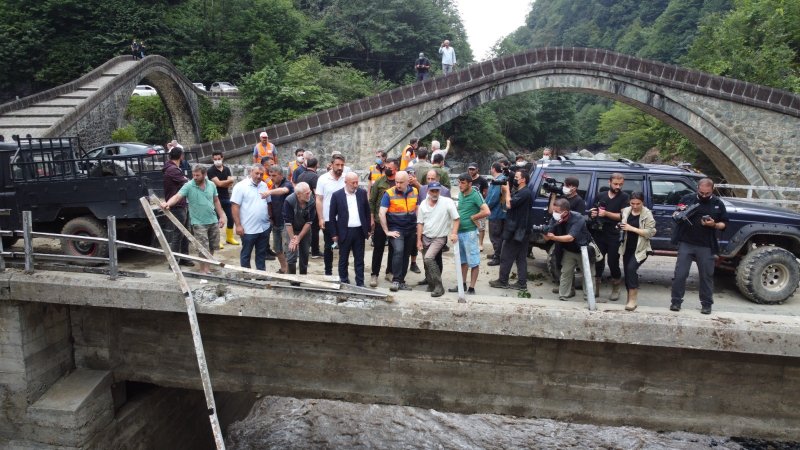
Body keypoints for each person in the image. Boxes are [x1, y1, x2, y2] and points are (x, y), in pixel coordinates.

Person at [670, 178, 728, 314]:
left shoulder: (718, 203)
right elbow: (676, 212)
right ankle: (676, 302)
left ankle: (706, 304)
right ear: (697, 189)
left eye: (707, 193)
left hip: (706, 245)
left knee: (706, 276)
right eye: (701, 193)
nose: (704, 196)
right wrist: (678, 214)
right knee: (680, 274)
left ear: (712, 190)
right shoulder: (687, 199)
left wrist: (714, 224)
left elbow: (724, 224)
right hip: (686, 242)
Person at [160, 165, 226, 274]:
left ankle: (207, 268)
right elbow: (177, 196)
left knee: (212, 246)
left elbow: (216, 200)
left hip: (213, 220)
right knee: (202, 247)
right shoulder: (189, 186)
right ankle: (203, 270)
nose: (195, 177)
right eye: (193, 175)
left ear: (204, 175)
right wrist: (168, 204)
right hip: (198, 222)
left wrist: (222, 216)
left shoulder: (211, 185)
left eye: (197, 175)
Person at [544, 198, 596, 301]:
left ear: (565, 212)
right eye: (554, 210)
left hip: (583, 250)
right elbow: (547, 237)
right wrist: (544, 232)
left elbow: (570, 237)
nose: (554, 213)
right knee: (565, 273)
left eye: (557, 211)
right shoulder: (555, 219)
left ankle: (589, 298)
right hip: (568, 250)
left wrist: (553, 237)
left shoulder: (578, 218)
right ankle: (563, 295)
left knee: (588, 274)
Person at [589, 173, 630, 300]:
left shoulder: (624, 197)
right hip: (599, 233)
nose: (618, 187)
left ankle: (616, 288)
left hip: (614, 234)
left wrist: (606, 213)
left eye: (620, 184)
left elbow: (623, 216)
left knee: (613, 262)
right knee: (598, 261)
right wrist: (593, 213)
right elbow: (594, 210)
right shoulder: (601, 195)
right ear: (609, 182)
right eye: (615, 184)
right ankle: (596, 288)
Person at [490, 170, 533, 290]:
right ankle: (522, 283)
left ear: (523, 180)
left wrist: (507, 189)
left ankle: (503, 281)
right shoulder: (520, 191)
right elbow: (505, 204)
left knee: (505, 256)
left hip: (516, 230)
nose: (515, 179)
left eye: (517, 177)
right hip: (521, 230)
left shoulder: (525, 193)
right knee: (520, 258)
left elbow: (509, 204)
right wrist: (505, 191)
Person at [449, 173, 490, 295]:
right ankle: (462, 285)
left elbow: (487, 211)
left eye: (463, 183)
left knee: (473, 261)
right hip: (460, 232)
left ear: (470, 184)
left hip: (470, 233)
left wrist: (474, 217)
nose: (460, 185)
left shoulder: (475, 194)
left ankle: (472, 288)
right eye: (459, 182)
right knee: (462, 261)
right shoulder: (461, 194)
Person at [416, 182, 459, 297]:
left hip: (439, 237)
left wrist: (454, 233)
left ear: (440, 191)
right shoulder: (423, 204)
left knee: (428, 258)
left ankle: (439, 287)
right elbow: (420, 223)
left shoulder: (447, 202)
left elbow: (456, 218)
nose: (435, 193)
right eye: (432, 191)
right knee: (426, 262)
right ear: (428, 191)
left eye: (437, 191)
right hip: (426, 236)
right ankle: (431, 285)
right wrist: (418, 240)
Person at [329, 173, 372, 286]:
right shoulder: (337, 195)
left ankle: (360, 282)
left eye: (357, 182)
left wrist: (368, 228)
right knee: (343, 258)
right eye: (353, 183)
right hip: (344, 232)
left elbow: (367, 212)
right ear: (346, 182)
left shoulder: (362, 193)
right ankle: (343, 280)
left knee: (359, 259)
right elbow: (332, 216)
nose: (355, 185)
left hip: (359, 231)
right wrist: (334, 234)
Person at [379, 171, 418, 292]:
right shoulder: (389, 193)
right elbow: (381, 213)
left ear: (407, 182)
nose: (398, 185)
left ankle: (401, 281)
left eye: (401, 182)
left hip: (411, 229)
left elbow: (417, 209)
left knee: (406, 254)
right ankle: (395, 280)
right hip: (396, 229)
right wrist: (387, 231)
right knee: (399, 251)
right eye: (396, 182)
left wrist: (418, 225)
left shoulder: (414, 191)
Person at [547, 176, 586, 293]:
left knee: (572, 264)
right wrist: (554, 195)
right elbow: (551, 211)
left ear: (574, 187)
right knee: (559, 261)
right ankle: (565, 287)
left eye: (567, 186)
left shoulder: (579, 201)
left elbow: (578, 219)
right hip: (560, 234)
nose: (564, 187)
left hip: (571, 236)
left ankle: (571, 289)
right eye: (564, 185)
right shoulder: (563, 198)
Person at [619, 192, 657, 311]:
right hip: (627, 246)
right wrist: (620, 227)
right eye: (632, 203)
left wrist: (632, 228)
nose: (635, 206)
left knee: (631, 269)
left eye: (638, 204)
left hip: (641, 248)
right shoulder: (626, 211)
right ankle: (629, 298)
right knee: (627, 272)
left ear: (642, 202)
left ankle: (633, 300)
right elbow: (623, 225)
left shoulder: (647, 214)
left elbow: (650, 233)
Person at [231, 165, 271, 271]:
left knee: (261, 253)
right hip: (248, 228)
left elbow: (269, 203)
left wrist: (270, 219)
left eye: (261, 174)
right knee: (246, 254)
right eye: (256, 173)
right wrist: (238, 225)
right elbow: (235, 206)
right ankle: (246, 275)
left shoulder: (264, 185)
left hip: (264, 227)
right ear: (251, 172)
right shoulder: (240, 186)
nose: (259, 176)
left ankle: (261, 275)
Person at [316, 154, 347, 281]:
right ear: (332, 164)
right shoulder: (323, 179)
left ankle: (343, 273)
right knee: (328, 246)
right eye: (337, 165)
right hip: (328, 219)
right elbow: (319, 199)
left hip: (344, 219)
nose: (340, 167)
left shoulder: (346, 178)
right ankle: (328, 272)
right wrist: (320, 218)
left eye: (342, 165)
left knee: (344, 247)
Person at [368, 159, 398, 287]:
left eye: (389, 167)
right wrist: (371, 218)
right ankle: (374, 274)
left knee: (393, 248)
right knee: (378, 248)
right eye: (385, 167)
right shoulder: (379, 182)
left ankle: (390, 272)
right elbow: (372, 201)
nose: (386, 169)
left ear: (396, 169)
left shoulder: (399, 182)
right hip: (380, 220)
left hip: (395, 221)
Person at [162, 147, 193, 266]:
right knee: (178, 234)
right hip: (177, 205)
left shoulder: (171, 168)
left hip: (181, 204)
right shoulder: (173, 170)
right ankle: (173, 262)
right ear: (181, 156)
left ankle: (184, 258)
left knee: (185, 233)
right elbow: (187, 183)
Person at [282, 182, 316, 282]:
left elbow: (309, 222)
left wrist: (299, 238)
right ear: (298, 195)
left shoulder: (311, 201)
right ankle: (293, 280)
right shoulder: (289, 201)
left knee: (305, 253)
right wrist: (293, 239)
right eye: (306, 193)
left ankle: (302, 278)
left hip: (304, 229)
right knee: (291, 252)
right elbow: (288, 223)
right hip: (291, 228)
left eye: (310, 192)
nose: (309, 194)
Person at [207, 151, 238, 249]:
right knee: (216, 220)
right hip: (215, 198)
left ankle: (229, 237)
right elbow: (219, 184)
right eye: (215, 159)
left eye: (218, 159)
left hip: (226, 197)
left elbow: (229, 184)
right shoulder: (211, 170)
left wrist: (224, 183)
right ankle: (217, 240)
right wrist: (228, 181)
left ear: (222, 158)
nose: (217, 161)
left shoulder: (227, 169)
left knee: (231, 217)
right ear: (212, 159)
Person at [266, 166, 293, 274]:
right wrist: (271, 217)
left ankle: (289, 271)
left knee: (287, 249)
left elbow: (284, 190)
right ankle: (283, 268)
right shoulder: (273, 186)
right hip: (276, 222)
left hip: (287, 223)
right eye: (270, 175)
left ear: (281, 175)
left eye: (274, 175)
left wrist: (269, 192)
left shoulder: (287, 184)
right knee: (277, 248)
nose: (272, 178)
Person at [297, 157, 321, 258]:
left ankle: (303, 249)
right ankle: (315, 251)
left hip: (301, 205)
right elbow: (317, 194)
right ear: (316, 165)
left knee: (303, 228)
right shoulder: (315, 177)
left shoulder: (301, 175)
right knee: (315, 229)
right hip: (312, 206)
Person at [485, 162, 507, 266]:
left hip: (496, 213)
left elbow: (494, 197)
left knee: (495, 236)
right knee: (499, 236)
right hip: (500, 213)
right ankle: (497, 254)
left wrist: (486, 207)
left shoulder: (499, 180)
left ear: (493, 169)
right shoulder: (502, 178)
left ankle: (497, 257)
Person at [467, 162, 489, 251]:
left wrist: (482, 203)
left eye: (473, 169)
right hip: (469, 205)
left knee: (481, 226)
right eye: (470, 169)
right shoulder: (467, 179)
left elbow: (486, 193)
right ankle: (470, 242)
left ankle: (480, 244)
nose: (471, 171)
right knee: (469, 224)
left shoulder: (482, 180)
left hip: (480, 206)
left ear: (477, 170)